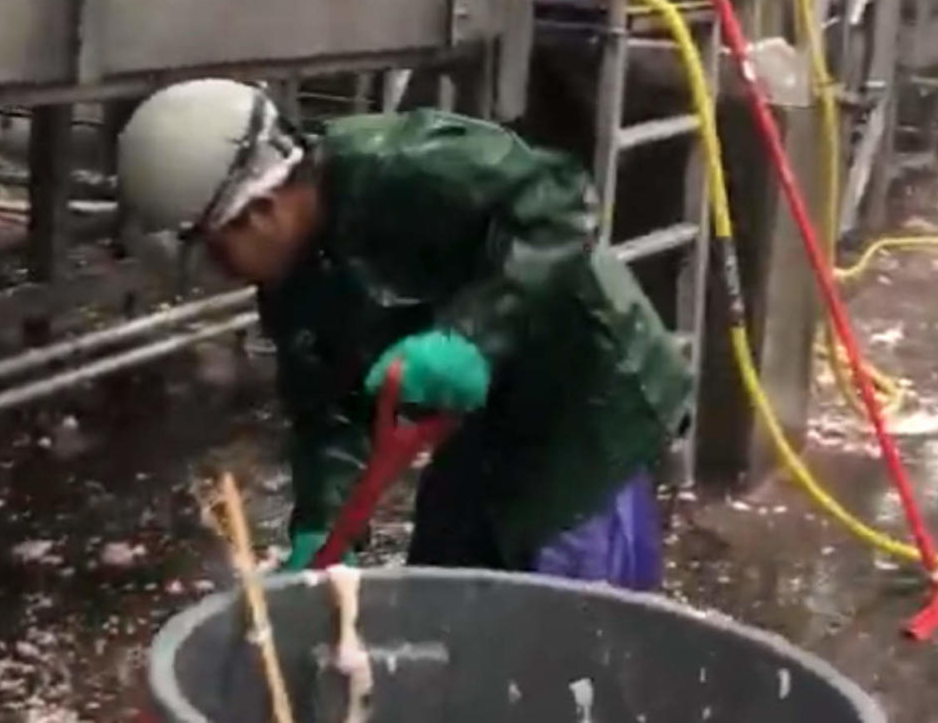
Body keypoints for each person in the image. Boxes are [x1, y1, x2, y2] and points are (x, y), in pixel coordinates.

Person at [116, 78, 691, 590]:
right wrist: (323, 526)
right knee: (445, 569)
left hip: (584, 392)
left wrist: (472, 333)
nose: (225, 274)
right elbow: (330, 413)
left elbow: (558, 200)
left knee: (563, 602)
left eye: (219, 253)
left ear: (260, 209)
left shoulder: (402, 164)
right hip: (478, 408)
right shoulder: (291, 284)